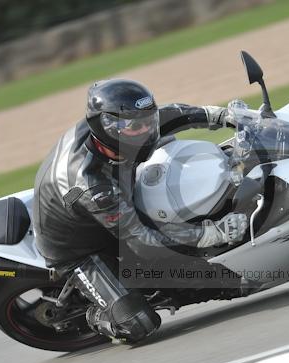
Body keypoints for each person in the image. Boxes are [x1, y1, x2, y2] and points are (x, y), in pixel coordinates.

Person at [33, 78, 248, 343]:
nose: (146, 128)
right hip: (80, 251)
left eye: (148, 119)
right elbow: (141, 240)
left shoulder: (117, 133)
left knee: (167, 148)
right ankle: (95, 315)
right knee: (139, 323)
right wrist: (211, 234)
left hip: (105, 206)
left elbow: (168, 115)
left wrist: (220, 114)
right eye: (136, 125)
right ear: (107, 125)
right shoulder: (92, 183)